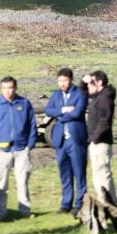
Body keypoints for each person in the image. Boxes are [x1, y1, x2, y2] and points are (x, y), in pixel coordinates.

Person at [0, 76, 38, 221]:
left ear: (15, 88)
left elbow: (32, 125)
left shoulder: (25, 103)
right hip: (3, 151)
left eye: (10, 88)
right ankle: (0, 214)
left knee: (22, 182)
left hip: (22, 150)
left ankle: (25, 211)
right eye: (5, 88)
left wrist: (29, 145)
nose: (8, 91)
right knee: (2, 184)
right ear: (1, 89)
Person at [45, 67, 88, 216]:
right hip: (60, 140)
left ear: (71, 80)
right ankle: (66, 203)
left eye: (65, 80)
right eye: (60, 81)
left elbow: (77, 112)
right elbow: (48, 110)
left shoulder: (80, 94)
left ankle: (80, 203)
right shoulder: (56, 94)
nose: (62, 83)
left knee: (79, 173)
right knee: (64, 173)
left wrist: (60, 115)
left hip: (75, 139)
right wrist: (63, 110)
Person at [85, 70, 117, 205]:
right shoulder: (101, 96)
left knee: (102, 173)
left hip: (101, 142)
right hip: (99, 141)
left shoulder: (104, 98)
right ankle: (107, 201)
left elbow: (105, 121)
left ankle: (109, 203)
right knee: (99, 173)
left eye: (91, 82)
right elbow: (84, 92)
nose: (89, 86)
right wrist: (85, 82)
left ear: (99, 82)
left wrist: (94, 138)